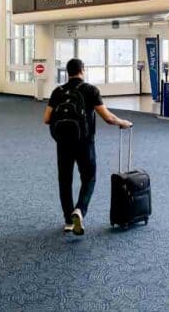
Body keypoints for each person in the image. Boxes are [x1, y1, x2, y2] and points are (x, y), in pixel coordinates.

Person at [43, 58, 133, 235]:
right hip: (85, 142)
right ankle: (80, 210)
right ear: (82, 70)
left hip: (63, 143)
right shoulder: (90, 90)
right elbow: (107, 118)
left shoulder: (58, 91)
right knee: (89, 178)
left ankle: (68, 220)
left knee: (65, 180)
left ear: (67, 72)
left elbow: (46, 119)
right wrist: (123, 122)